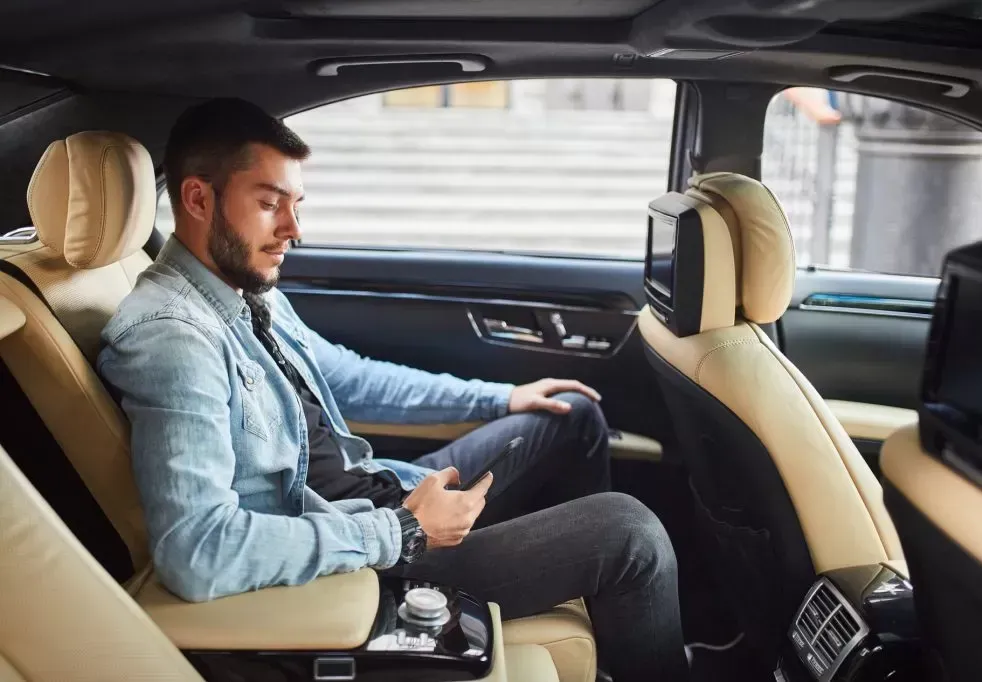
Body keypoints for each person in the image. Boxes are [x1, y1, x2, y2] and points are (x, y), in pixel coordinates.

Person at [98, 98, 689, 681]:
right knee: (629, 533)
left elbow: (349, 376)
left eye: (296, 204)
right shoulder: (172, 338)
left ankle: (605, 625)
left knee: (571, 414)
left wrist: (496, 398)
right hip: (359, 562)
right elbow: (197, 550)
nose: (293, 230)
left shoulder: (245, 291)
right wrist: (403, 530)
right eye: (269, 204)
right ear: (199, 198)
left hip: (384, 493)